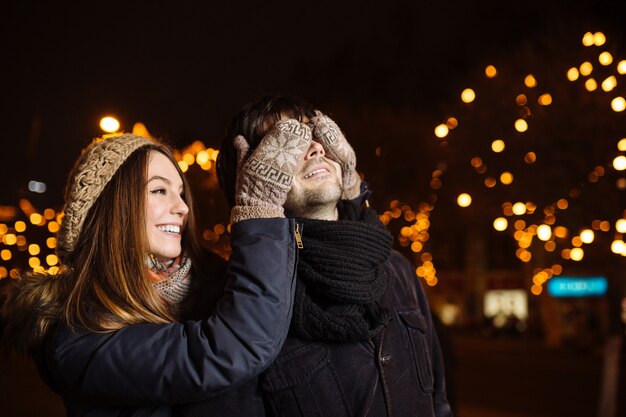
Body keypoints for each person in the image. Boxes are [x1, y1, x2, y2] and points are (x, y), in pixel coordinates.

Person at [0, 131, 311, 416]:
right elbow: (226, 350)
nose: (183, 207)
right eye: (160, 190)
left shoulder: (214, 279)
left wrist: (351, 199)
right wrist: (259, 211)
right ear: (112, 207)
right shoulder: (79, 337)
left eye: (180, 193)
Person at [182, 94, 453, 416]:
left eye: (316, 137)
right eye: (286, 144)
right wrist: (256, 209)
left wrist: (353, 187)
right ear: (249, 175)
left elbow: (438, 401)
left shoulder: (396, 269)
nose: (316, 148)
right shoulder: (238, 301)